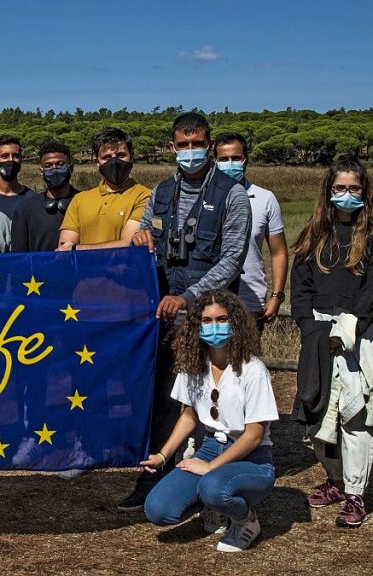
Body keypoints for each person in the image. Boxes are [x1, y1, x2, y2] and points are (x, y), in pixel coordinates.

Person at [123, 112, 252, 512]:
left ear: (210, 146)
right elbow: (143, 236)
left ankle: (222, 478)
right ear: (172, 147)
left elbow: (231, 258)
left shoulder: (232, 195)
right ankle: (155, 478)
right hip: (164, 316)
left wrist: (191, 297)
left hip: (209, 316)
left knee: (215, 399)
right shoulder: (161, 192)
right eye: (183, 145)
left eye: (198, 145)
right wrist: (141, 237)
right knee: (164, 400)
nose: (190, 152)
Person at [290, 156, 373, 528]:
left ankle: (355, 494)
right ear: (329, 191)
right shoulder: (314, 235)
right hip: (318, 332)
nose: (346, 195)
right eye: (340, 188)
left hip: (357, 335)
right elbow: (300, 287)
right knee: (316, 410)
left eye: (353, 188)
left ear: (364, 191)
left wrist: (353, 323)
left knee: (356, 416)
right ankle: (335, 479)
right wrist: (307, 325)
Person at [142, 290, 277, 552]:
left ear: (235, 322)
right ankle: (210, 505)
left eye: (222, 319)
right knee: (157, 510)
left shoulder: (253, 369)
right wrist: (162, 455)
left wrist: (211, 467)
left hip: (252, 457)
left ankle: (244, 520)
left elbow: (254, 436)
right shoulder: (193, 364)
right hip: (209, 446)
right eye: (206, 321)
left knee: (214, 487)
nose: (214, 327)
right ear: (196, 325)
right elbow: (189, 415)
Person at [213, 132, 289, 329]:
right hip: (210, 300)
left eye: (236, 158)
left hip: (250, 301)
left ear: (246, 160)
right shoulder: (205, 198)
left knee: (248, 359)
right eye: (224, 159)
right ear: (215, 160)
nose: (230, 164)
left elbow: (279, 251)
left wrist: (277, 295)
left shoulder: (265, 198)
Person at [57, 128, 150, 251]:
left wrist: (76, 249)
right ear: (97, 162)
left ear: (131, 157)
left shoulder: (145, 196)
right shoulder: (80, 199)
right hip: (86, 270)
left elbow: (128, 244)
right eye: (107, 157)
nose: (114, 161)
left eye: (120, 155)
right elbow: (64, 247)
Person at [11, 140, 79, 252]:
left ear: (70, 168)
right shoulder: (25, 209)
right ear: (41, 171)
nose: (55, 169)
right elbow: (19, 256)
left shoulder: (84, 202)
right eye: (48, 166)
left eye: (60, 164)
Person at [0, 135, 37, 220]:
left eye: (16, 156)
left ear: (21, 159)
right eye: (5, 156)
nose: (11, 160)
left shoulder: (33, 199)